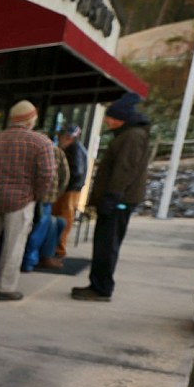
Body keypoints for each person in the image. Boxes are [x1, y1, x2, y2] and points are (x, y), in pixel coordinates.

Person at [0, 100, 55, 301]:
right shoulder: (41, 142)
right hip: (21, 200)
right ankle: (5, 288)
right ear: (31, 120)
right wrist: (36, 195)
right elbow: (47, 174)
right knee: (14, 246)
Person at [73, 92, 152, 302]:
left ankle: (101, 288)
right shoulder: (130, 134)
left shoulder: (132, 136)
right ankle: (98, 285)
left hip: (119, 201)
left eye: (109, 116)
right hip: (118, 199)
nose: (107, 120)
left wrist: (112, 196)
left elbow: (125, 170)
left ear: (120, 118)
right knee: (104, 244)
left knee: (107, 245)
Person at [23, 138, 69, 271]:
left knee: (35, 230)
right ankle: (28, 262)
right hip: (44, 198)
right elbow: (64, 177)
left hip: (29, 197)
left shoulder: (27, 148)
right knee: (38, 231)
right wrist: (53, 194)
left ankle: (29, 261)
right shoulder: (55, 151)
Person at [47, 124, 88, 268]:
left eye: (62, 136)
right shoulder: (75, 149)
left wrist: (62, 186)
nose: (60, 139)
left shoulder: (74, 150)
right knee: (62, 220)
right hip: (71, 189)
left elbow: (75, 172)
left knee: (63, 220)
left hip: (69, 190)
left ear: (69, 137)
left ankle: (59, 250)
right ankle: (57, 249)